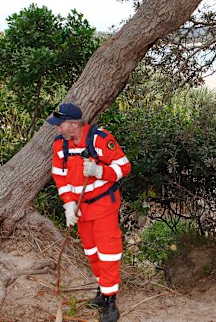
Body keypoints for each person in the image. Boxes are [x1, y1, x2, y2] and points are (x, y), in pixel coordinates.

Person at [47, 103, 131, 322]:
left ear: (74, 124)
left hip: (104, 206)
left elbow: (124, 167)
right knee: (92, 253)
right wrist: (68, 204)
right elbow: (59, 176)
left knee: (108, 253)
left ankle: (110, 301)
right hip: (81, 209)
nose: (58, 130)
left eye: (61, 125)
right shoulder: (60, 145)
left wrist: (99, 171)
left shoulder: (100, 139)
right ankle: (102, 291)